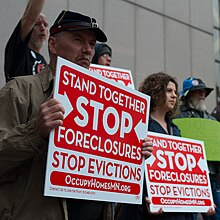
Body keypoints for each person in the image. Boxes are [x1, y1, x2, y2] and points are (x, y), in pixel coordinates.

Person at [0, 10, 153, 220]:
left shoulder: (105, 104)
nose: (87, 50)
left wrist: (133, 151)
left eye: (91, 44)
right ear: (52, 45)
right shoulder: (18, 90)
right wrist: (35, 131)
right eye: (78, 40)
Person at [115, 72, 195, 220]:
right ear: (156, 92)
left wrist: (201, 202)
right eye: (168, 91)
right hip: (148, 208)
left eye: (175, 92)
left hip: (175, 209)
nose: (174, 96)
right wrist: (144, 196)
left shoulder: (175, 130)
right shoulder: (139, 125)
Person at [175, 77, 219, 220]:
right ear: (187, 95)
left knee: (215, 214)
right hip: (189, 177)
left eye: (204, 92)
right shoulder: (177, 117)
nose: (202, 95)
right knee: (190, 215)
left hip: (211, 174)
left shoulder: (212, 121)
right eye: (198, 92)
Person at [4, 0, 48, 82]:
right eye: (37, 24)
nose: (43, 28)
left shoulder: (45, 63)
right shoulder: (18, 50)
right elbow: (30, 17)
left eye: (45, 25)